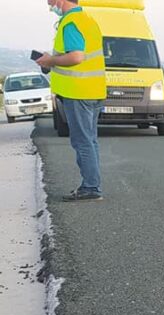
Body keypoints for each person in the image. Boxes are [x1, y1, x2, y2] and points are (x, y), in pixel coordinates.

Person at [36, 0, 106, 202]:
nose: (49, 4)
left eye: (50, 0)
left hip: (78, 92)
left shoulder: (70, 22)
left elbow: (76, 57)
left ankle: (91, 188)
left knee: (82, 141)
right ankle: (92, 185)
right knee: (90, 141)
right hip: (93, 90)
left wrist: (50, 60)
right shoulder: (88, 19)